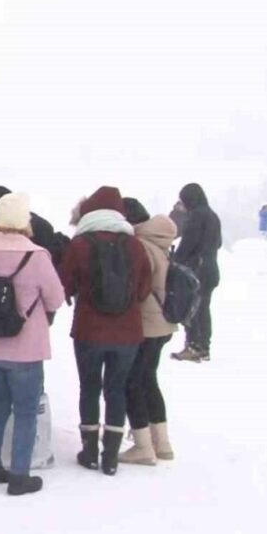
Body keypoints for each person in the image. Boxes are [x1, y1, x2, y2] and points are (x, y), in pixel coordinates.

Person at [0, 193, 65, 495]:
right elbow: (56, 298)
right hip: (25, 349)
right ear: (25, 221)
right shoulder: (37, 255)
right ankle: (20, 475)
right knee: (25, 411)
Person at [58, 186, 152, 476]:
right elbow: (144, 288)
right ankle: (110, 456)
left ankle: (88, 451)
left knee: (90, 387)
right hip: (127, 334)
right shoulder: (135, 246)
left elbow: (65, 283)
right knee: (116, 389)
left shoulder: (80, 244)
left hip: (89, 330)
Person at [119, 198, 178, 465]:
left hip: (146, 323)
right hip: (163, 323)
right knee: (148, 380)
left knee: (131, 382)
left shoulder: (140, 244)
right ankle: (161, 442)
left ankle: (143, 446)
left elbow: (138, 285)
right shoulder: (160, 241)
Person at [171, 183, 222, 362]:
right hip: (211, 269)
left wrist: (174, 261)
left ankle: (194, 346)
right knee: (203, 308)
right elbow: (219, 243)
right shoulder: (213, 216)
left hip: (196, 272)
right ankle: (203, 347)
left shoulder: (196, 215)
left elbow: (188, 243)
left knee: (192, 309)